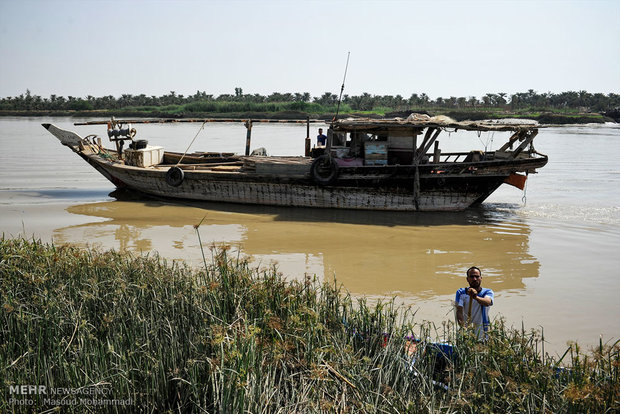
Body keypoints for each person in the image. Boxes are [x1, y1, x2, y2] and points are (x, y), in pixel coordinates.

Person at [455, 266, 494, 339]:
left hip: (483, 330)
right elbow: (459, 311)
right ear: (467, 279)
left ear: (481, 278)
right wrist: (464, 328)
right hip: (466, 330)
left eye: (477, 276)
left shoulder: (487, 292)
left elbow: (487, 302)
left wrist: (475, 297)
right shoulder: (461, 292)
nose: (474, 279)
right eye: (472, 277)